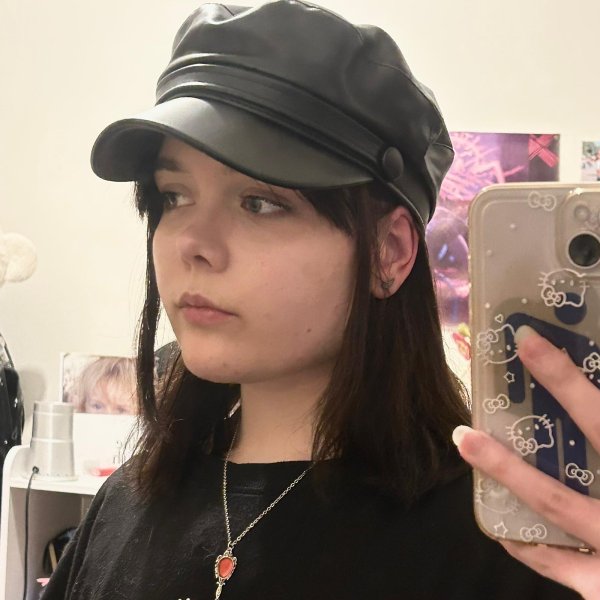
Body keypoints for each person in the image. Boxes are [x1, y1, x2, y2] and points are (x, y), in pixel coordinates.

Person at [42, 2, 596, 598]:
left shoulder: (506, 545)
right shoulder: (123, 507)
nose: (192, 245)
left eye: (259, 203)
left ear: (388, 252)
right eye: (173, 196)